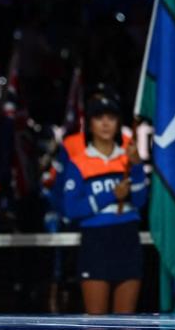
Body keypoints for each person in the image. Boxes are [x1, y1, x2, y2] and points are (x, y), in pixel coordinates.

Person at [61, 95, 147, 314]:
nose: (106, 123)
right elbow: (70, 209)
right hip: (96, 242)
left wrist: (136, 167)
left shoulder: (128, 159)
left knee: (126, 326)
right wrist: (110, 195)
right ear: (89, 124)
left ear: (119, 123)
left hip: (127, 238)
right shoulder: (79, 163)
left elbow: (140, 201)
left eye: (111, 117)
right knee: (96, 325)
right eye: (99, 118)